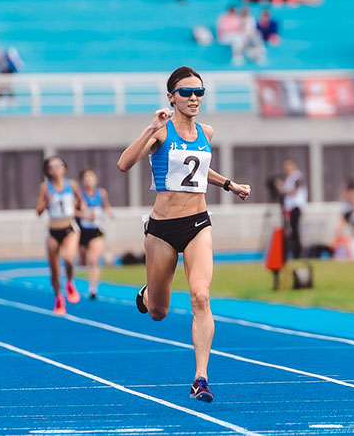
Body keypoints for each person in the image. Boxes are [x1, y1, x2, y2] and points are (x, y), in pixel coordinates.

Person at [117, 66, 251, 403]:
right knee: (159, 312)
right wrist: (151, 127)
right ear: (171, 97)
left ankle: (200, 378)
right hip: (162, 230)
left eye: (199, 93)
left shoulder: (206, 131)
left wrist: (229, 184)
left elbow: (200, 170)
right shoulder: (161, 133)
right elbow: (123, 163)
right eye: (187, 93)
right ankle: (149, 294)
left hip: (197, 225)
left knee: (201, 296)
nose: (194, 98)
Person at [36, 156, 84, 314]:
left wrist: (77, 207)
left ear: (64, 168)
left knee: (69, 258)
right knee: (54, 270)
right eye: (51, 166)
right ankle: (58, 298)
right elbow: (38, 211)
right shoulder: (45, 187)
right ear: (47, 170)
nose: (55, 168)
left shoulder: (72, 185)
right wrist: (46, 202)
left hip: (69, 228)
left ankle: (70, 282)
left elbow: (81, 201)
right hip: (52, 230)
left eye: (58, 165)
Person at [76, 168, 114, 300]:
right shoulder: (79, 195)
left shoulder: (101, 193)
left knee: (93, 260)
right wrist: (84, 215)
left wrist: (110, 213)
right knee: (82, 262)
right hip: (82, 231)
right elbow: (73, 211)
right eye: (86, 178)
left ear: (95, 179)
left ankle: (93, 288)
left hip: (96, 230)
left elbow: (106, 206)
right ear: (82, 181)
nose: (88, 180)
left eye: (91, 177)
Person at [276, 159, 307, 260]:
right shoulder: (290, 178)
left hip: (295, 207)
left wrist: (283, 189)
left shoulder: (296, 177)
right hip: (290, 207)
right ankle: (294, 252)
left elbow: (295, 191)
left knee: (295, 230)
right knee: (291, 231)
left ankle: (297, 253)